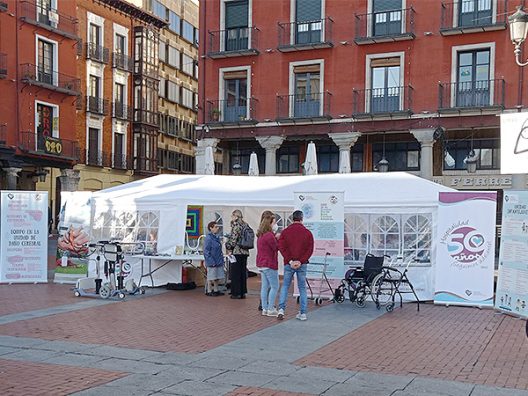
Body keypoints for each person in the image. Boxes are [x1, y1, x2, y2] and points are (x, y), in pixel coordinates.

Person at [277, 210, 314, 321]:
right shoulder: (307, 233)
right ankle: (303, 313)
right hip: (302, 264)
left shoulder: (285, 232)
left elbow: (282, 247)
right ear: (302, 219)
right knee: (302, 288)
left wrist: (290, 261)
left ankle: (281, 309)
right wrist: (301, 261)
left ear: (292, 219)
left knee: (285, 286)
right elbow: (310, 250)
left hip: (289, 264)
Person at [256, 211, 280, 317]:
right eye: (274, 222)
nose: (275, 224)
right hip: (269, 263)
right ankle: (270, 308)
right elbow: (275, 247)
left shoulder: (260, 234)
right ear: (270, 222)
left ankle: (265, 308)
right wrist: (277, 238)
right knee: (275, 286)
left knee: (264, 287)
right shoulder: (269, 235)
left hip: (261, 264)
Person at [225, 209, 250, 299]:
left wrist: (228, 246)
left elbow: (233, 240)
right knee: (242, 272)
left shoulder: (236, 225)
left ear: (236, 216)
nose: (231, 217)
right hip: (245, 251)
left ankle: (236, 293)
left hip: (237, 252)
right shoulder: (245, 225)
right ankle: (243, 292)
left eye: (232, 216)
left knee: (235, 273)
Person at [203, 221, 225, 296]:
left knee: (217, 276)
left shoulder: (217, 237)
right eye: (215, 227)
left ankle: (216, 289)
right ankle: (209, 290)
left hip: (218, 259)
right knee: (211, 276)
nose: (217, 228)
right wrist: (210, 261)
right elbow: (206, 251)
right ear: (211, 228)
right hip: (212, 260)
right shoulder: (208, 238)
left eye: (217, 227)